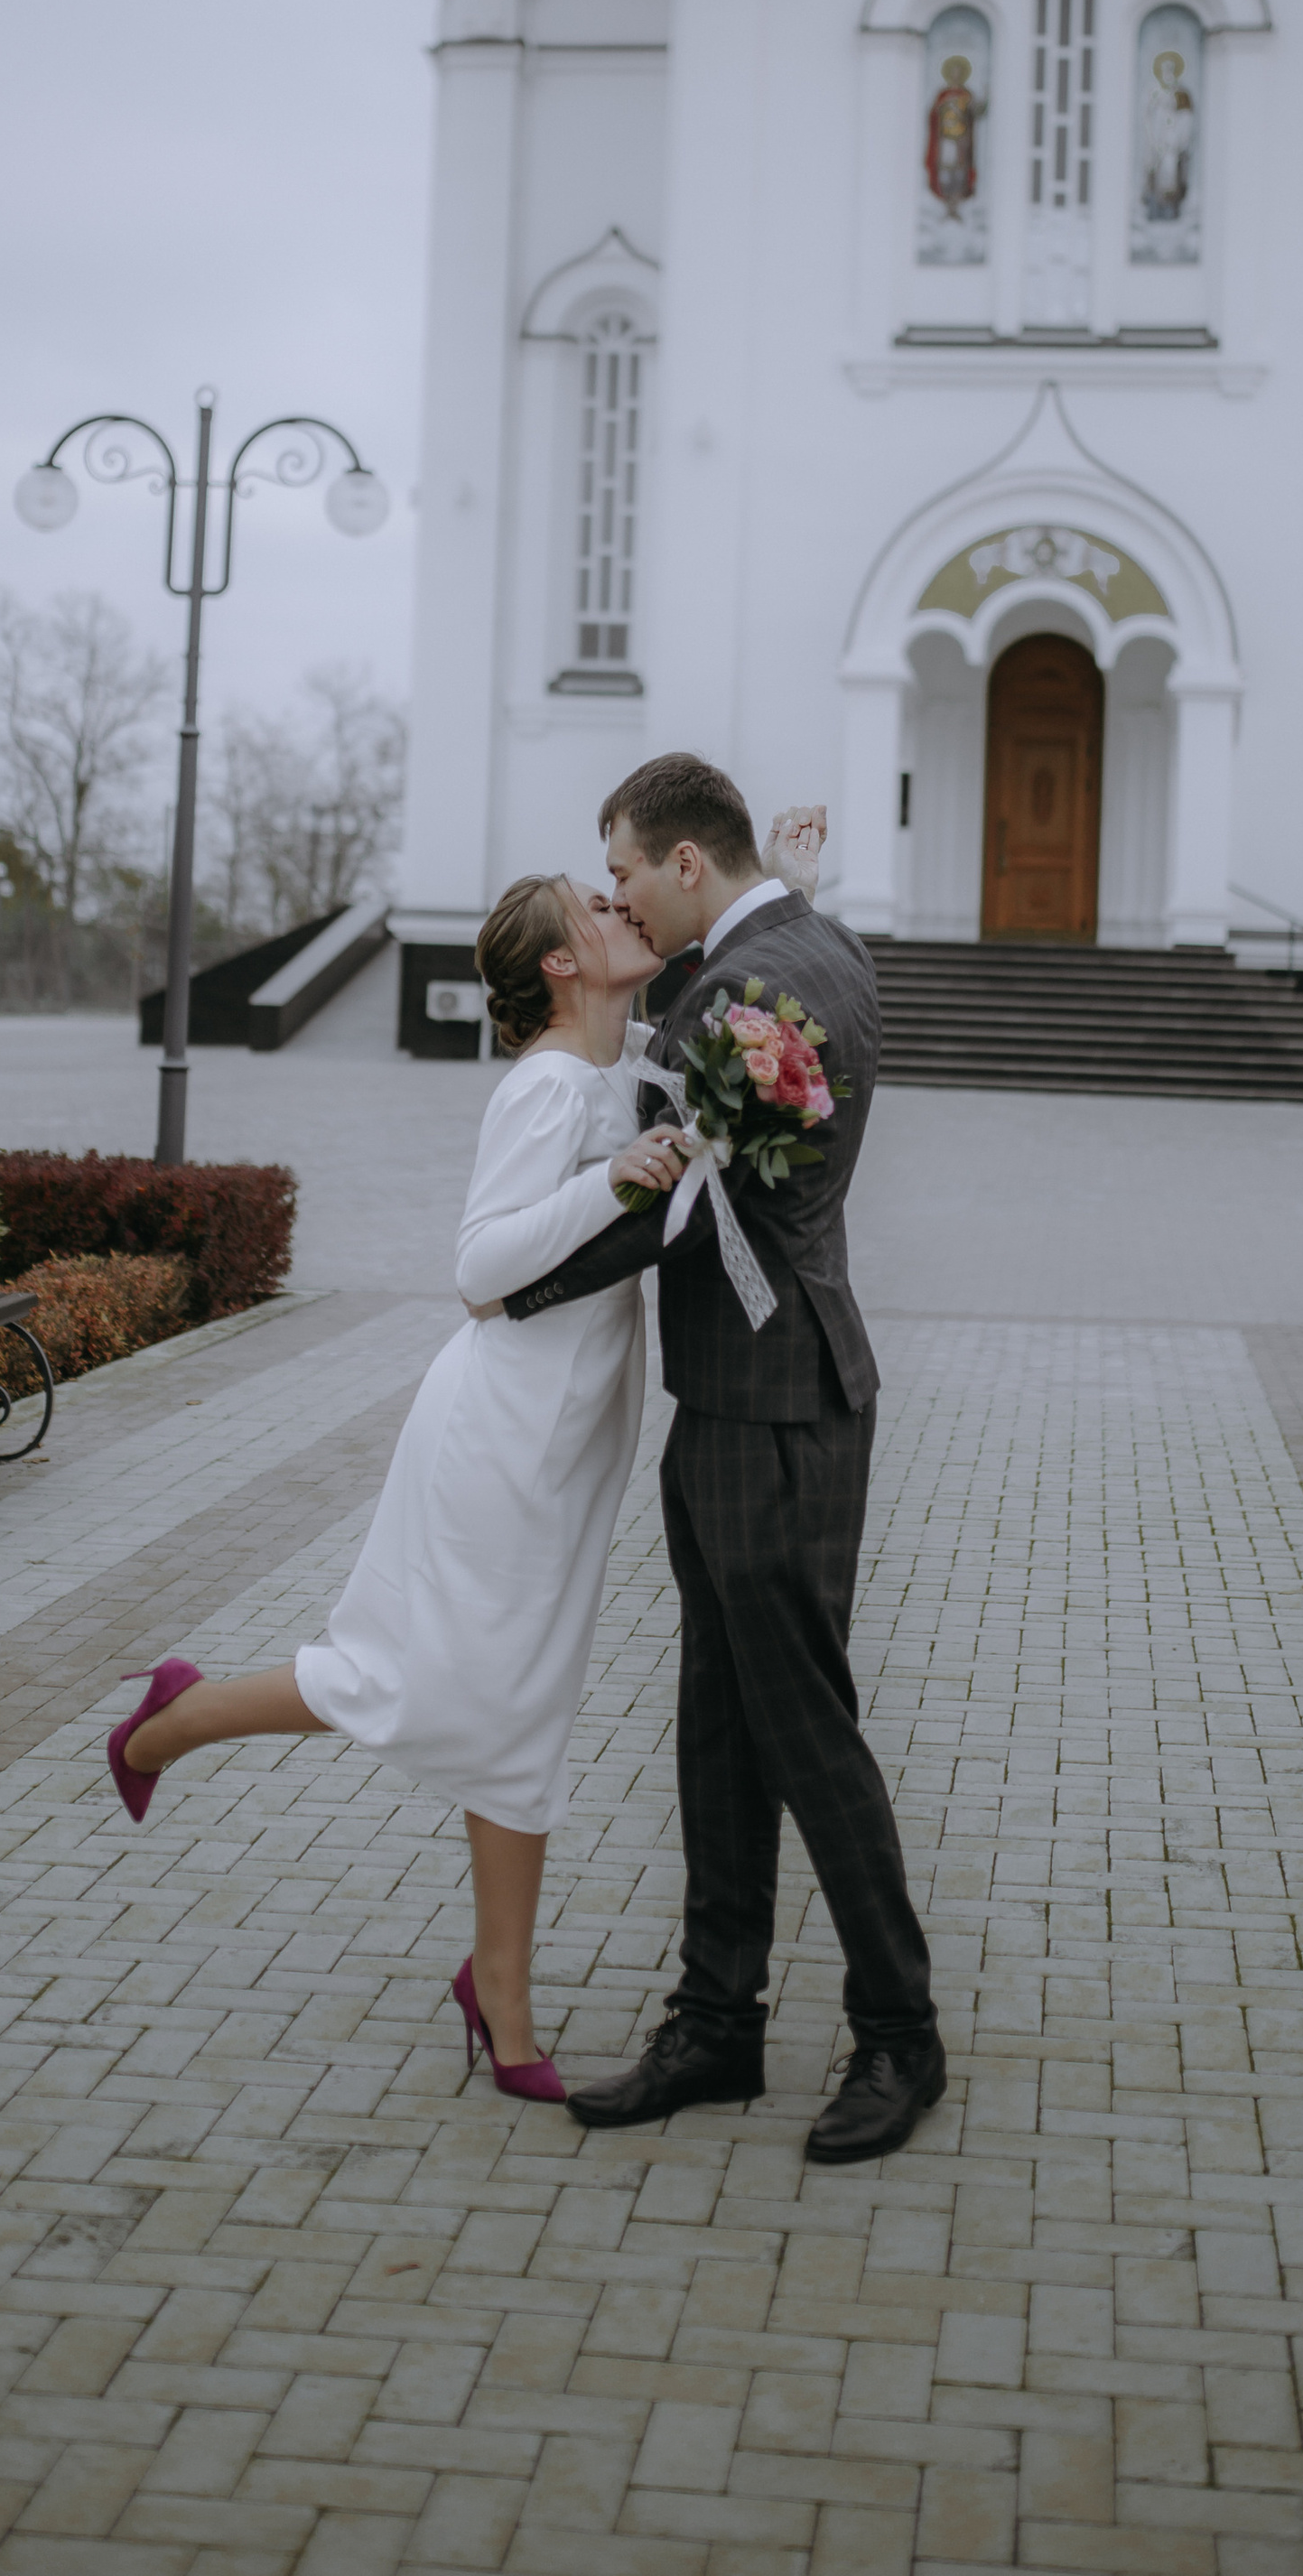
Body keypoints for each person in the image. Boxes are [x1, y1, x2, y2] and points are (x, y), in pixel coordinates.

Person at [103, 830, 816, 2097]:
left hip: (568, 1436)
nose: (625, 907)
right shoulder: (547, 1086)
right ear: (561, 962)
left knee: (523, 1709)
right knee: (410, 1682)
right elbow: (481, 1275)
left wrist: (795, 892)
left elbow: (720, 1058)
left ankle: (501, 1998)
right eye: (600, 905)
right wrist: (611, 1182)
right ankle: (169, 1721)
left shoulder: (622, 1060)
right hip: (498, 1435)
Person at [484, 751, 943, 2165]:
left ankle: (900, 2034)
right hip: (750, 1398)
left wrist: (513, 1285)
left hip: (774, 1412)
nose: (613, 889)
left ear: (690, 865)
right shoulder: (814, 941)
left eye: (621, 867)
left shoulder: (741, 1000)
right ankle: (718, 2023)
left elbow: (680, 1200)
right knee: (719, 1727)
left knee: (803, 1731)